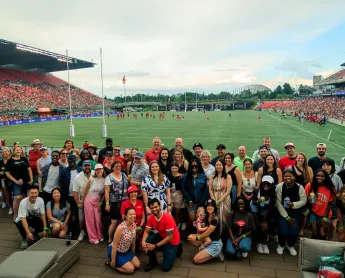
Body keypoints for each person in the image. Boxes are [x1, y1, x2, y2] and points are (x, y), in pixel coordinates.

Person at [142, 198, 182, 272]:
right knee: (148, 241)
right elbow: (146, 231)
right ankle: (153, 261)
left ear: (160, 206)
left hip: (172, 240)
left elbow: (170, 237)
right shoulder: (151, 218)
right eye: (152, 208)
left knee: (166, 268)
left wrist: (155, 246)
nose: (154, 209)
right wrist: (143, 241)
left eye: (156, 207)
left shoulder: (168, 218)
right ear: (150, 209)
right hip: (162, 236)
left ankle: (178, 246)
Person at [275, 169, 307, 256]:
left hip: (295, 212)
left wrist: (294, 204)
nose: (288, 178)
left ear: (294, 177)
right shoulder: (279, 186)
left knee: (294, 232)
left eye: (290, 176)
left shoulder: (300, 188)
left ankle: (290, 245)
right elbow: (278, 202)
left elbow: (304, 201)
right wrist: (286, 217)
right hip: (283, 212)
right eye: (286, 176)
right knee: (283, 231)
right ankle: (281, 245)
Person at [105, 207, 140, 274]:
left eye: (134, 214)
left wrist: (133, 254)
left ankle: (123, 262)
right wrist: (113, 261)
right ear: (125, 216)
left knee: (137, 265)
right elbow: (115, 245)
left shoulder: (134, 225)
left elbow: (133, 242)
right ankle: (111, 264)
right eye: (130, 214)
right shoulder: (120, 228)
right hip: (117, 251)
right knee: (131, 269)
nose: (133, 216)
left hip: (126, 251)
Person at [188, 199, 223, 263]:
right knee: (190, 238)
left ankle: (216, 254)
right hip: (207, 240)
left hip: (214, 244)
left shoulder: (215, 219)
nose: (210, 207)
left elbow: (207, 233)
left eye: (212, 206)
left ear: (215, 207)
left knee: (196, 260)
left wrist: (197, 238)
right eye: (208, 206)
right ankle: (205, 249)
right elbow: (198, 216)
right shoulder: (206, 216)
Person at [305, 169, 336, 240]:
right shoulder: (309, 186)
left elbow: (330, 204)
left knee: (322, 235)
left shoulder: (330, 188)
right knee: (315, 234)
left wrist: (325, 218)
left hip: (325, 213)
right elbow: (305, 201)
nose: (319, 177)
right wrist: (309, 201)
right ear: (314, 176)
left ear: (326, 177)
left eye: (322, 176)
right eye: (318, 175)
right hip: (313, 212)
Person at [5, 146, 33, 220]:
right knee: (17, 198)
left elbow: (29, 169)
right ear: (14, 151)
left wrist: (31, 179)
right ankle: (16, 215)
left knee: (24, 197)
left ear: (22, 151)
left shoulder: (24, 159)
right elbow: (7, 173)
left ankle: (23, 214)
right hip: (16, 182)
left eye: (20, 150)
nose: (18, 151)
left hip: (25, 181)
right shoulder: (10, 161)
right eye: (17, 150)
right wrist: (15, 181)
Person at [105, 160, 129, 243]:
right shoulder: (109, 177)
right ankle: (110, 238)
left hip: (125, 201)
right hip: (114, 202)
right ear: (112, 168)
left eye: (119, 166)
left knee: (124, 221)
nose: (118, 168)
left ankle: (122, 238)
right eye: (116, 166)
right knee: (114, 222)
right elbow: (107, 191)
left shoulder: (124, 175)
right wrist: (107, 204)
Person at [251, 175, 276, 255]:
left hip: (267, 211)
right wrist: (258, 201)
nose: (266, 185)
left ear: (271, 185)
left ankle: (264, 243)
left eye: (268, 184)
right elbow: (254, 202)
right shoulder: (257, 190)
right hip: (256, 209)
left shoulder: (273, 193)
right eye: (264, 183)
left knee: (265, 226)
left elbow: (271, 207)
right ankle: (259, 243)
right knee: (258, 225)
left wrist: (264, 221)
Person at [82, 164, 105, 244]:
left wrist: (101, 202)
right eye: (97, 170)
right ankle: (93, 238)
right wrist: (82, 202)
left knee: (98, 220)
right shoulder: (92, 178)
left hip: (98, 201)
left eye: (100, 169)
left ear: (103, 170)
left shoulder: (105, 179)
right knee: (90, 220)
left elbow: (104, 193)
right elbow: (85, 191)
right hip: (88, 200)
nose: (99, 171)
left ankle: (100, 235)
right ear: (95, 171)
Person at [321, 158, 342, 241]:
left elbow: (340, 191)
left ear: (332, 166)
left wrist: (333, 196)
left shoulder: (336, 178)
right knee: (323, 224)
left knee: (333, 225)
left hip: (333, 204)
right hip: (322, 204)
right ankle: (322, 238)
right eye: (324, 165)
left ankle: (329, 240)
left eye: (328, 165)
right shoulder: (319, 175)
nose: (325, 167)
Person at [182, 159, 209, 225]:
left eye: (196, 166)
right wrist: (189, 200)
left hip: (200, 202)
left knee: (200, 218)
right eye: (192, 166)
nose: (194, 168)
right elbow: (184, 189)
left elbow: (205, 190)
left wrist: (202, 202)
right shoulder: (185, 176)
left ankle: (200, 232)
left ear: (199, 166)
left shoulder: (203, 176)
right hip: (191, 202)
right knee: (192, 218)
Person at [209, 159, 232, 235]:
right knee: (215, 217)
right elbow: (210, 189)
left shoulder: (228, 176)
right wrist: (213, 200)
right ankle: (216, 235)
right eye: (217, 165)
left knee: (224, 218)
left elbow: (228, 190)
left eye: (220, 165)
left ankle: (224, 236)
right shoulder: (212, 176)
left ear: (223, 166)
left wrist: (220, 200)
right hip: (214, 197)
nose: (218, 166)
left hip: (224, 199)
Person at [73, 160, 94, 241]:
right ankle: (82, 231)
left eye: (88, 166)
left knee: (93, 218)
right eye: (85, 166)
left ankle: (92, 232)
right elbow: (75, 191)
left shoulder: (94, 174)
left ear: (91, 167)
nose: (87, 167)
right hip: (82, 200)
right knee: (81, 218)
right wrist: (78, 203)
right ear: (82, 167)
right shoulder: (78, 177)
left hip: (93, 200)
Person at [169, 161, 186, 230]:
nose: (174, 170)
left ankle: (176, 227)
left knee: (177, 213)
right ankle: (170, 226)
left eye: (175, 168)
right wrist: (169, 189)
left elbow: (184, 187)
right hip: (169, 195)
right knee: (169, 212)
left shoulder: (182, 176)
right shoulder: (168, 176)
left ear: (178, 168)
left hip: (179, 196)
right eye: (172, 168)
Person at [0, 147, 13, 214]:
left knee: (15, 194)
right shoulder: (0, 162)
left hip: (13, 179)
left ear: (9, 152)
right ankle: (10, 207)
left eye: (6, 151)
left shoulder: (12, 160)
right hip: (3, 180)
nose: (4, 153)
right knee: (7, 193)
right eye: (3, 152)